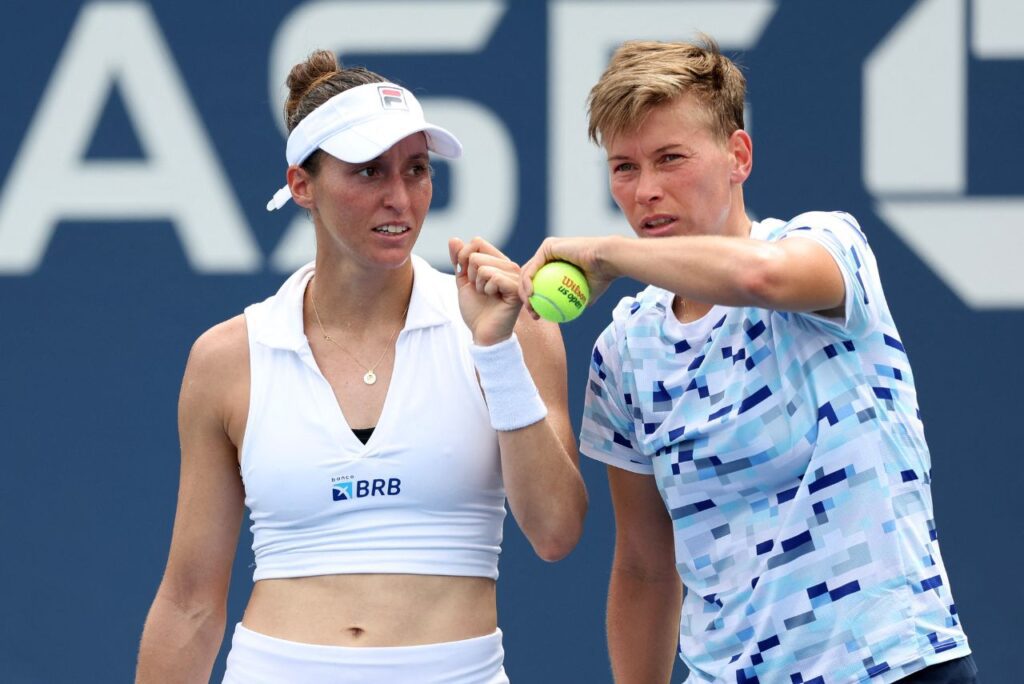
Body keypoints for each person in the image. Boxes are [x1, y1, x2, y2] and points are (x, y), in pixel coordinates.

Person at [520, 38, 976, 683]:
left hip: (896, 667)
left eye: (670, 158)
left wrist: (611, 256)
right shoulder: (625, 347)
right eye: (624, 167)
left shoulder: (827, 245)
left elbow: (761, 277)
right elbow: (646, 565)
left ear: (738, 157)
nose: (645, 189)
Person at [136, 49, 587, 684]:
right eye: (369, 172)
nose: (400, 198)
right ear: (301, 184)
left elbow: (556, 532)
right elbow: (188, 604)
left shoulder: (512, 326)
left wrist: (495, 353)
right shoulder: (227, 358)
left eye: (417, 169)